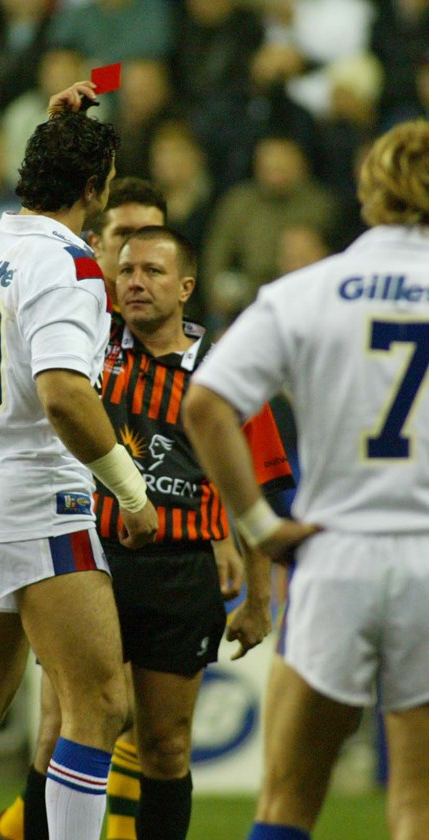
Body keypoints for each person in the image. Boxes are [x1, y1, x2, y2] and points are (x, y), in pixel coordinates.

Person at [0, 82, 158, 840]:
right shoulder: (71, 264)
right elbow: (65, 396)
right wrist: (131, 491)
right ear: (94, 190)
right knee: (100, 705)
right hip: (41, 503)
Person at [0, 226, 295, 840]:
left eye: (153, 272)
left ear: (186, 288)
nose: (135, 282)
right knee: (66, 729)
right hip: (89, 560)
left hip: (181, 572)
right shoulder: (86, 349)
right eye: (126, 270)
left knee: (165, 745)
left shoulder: (224, 372)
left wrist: (259, 599)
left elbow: (256, 487)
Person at [181, 118, 429, 840]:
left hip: (333, 553)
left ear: (369, 191)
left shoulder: (309, 290)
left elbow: (206, 404)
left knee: (286, 803)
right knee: (417, 806)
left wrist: (261, 525)